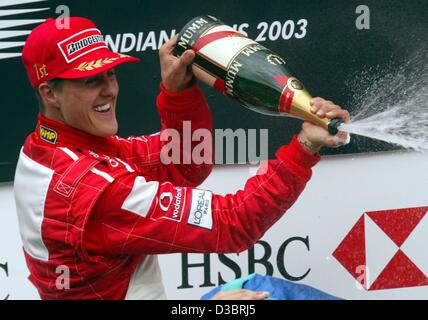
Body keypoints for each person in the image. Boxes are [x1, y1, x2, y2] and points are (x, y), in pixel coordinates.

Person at [14, 16, 350, 300]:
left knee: (250, 292)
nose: (109, 90)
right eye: (90, 80)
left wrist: (179, 94)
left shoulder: (50, 148)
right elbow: (233, 223)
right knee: (266, 295)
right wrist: (304, 147)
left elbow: (184, 164)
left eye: (110, 74)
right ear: (49, 92)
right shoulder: (90, 190)